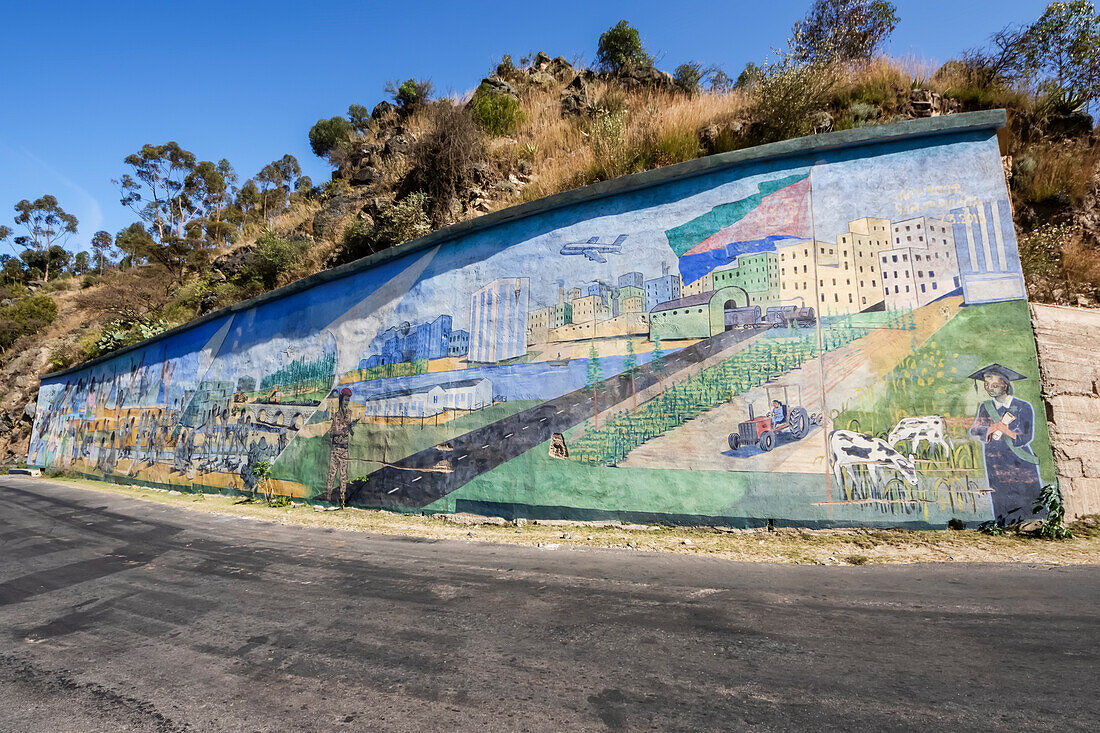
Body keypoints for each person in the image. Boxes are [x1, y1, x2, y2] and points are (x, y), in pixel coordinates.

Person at [967, 364, 1043, 524]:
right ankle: (1004, 525)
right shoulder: (985, 407)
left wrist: (1006, 430)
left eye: (994, 385)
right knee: (1000, 492)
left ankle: (1033, 524)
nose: (990, 389)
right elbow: (974, 431)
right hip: (994, 459)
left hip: (1018, 460)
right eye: (987, 385)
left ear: (1005, 385)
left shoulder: (1022, 406)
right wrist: (993, 427)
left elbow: (1026, 437)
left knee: (1024, 493)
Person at [325, 387, 359, 506]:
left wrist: (350, 429)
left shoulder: (349, 414)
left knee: (343, 474)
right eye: (345, 400)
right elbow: (331, 433)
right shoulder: (336, 415)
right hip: (336, 448)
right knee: (332, 473)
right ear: (341, 400)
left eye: (348, 400)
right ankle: (329, 494)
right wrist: (340, 432)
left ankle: (342, 497)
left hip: (344, 448)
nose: (346, 402)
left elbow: (349, 428)